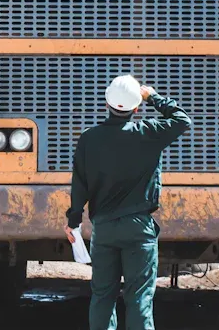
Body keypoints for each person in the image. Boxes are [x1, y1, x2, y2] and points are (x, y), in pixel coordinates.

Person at [64, 75, 192, 330]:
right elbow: (182, 120)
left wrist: (73, 222)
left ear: (106, 103)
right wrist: (153, 97)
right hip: (138, 228)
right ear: (136, 108)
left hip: (105, 228)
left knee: (102, 296)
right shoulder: (148, 132)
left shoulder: (90, 138)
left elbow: (80, 184)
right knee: (139, 299)